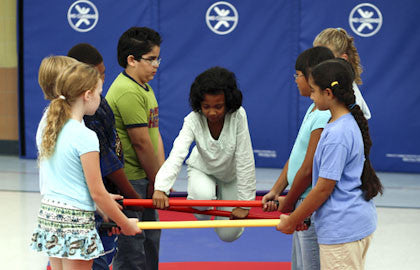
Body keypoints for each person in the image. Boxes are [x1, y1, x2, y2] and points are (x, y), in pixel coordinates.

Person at [30, 62, 141, 270]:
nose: (101, 99)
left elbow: (71, 181)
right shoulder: (86, 136)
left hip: (50, 215)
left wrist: (104, 202)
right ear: (87, 95)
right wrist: (125, 224)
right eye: (99, 93)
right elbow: (97, 191)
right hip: (75, 220)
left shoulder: (51, 127)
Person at [277, 59, 383, 269]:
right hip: (349, 225)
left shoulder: (337, 134)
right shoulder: (342, 124)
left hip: (343, 230)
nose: (311, 96)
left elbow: (323, 188)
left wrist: (293, 218)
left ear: (328, 93)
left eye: (314, 91)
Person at [152, 66, 256, 242]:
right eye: (206, 106)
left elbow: (245, 157)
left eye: (218, 106)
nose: (212, 112)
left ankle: (217, 193)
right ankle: (208, 193)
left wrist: (245, 202)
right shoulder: (193, 119)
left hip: (231, 176)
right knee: (201, 204)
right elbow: (178, 152)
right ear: (199, 104)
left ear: (229, 102)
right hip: (204, 169)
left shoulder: (238, 116)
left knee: (228, 235)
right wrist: (161, 188)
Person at [67, 43, 143, 270]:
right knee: (91, 259)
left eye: (103, 73)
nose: (102, 81)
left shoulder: (99, 104)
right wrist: (128, 196)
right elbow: (103, 170)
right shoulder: (80, 125)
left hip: (98, 201)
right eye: (96, 76)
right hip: (89, 209)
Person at [262, 46, 334, 270]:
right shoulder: (313, 108)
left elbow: (308, 169)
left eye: (298, 75)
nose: (295, 80)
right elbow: (296, 158)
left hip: (307, 205)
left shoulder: (323, 114)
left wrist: (290, 203)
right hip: (300, 202)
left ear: (311, 75)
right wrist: (276, 190)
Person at [105, 26, 165, 270]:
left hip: (147, 177)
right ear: (131, 60)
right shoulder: (127, 91)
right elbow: (140, 143)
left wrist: (161, 177)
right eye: (151, 59)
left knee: (150, 242)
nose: (156, 65)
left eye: (158, 59)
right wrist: (155, 179)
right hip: (131, 180)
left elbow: (154, 135)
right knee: (132, 251)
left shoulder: (144, 87)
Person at [313, 27, 371, 120]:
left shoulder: (348, 101)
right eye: (316, 58)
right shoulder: (324, 92)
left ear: (343, 59)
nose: (318, 64)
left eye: (325, 58)